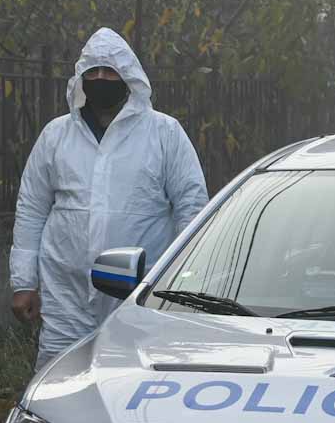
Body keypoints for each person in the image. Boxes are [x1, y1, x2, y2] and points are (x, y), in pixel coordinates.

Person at [11, 28, 209, 366]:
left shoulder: (164, 134)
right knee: (59, 383)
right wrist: (23, 281)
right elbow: (31, 208)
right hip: (65, 295)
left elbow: (192, 208)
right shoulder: (56, 136)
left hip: (139, 298)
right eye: (93, 72)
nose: (101, 79)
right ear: (81, 79)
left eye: (110, 72)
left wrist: (184, 281)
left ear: (128, 77)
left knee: (134, 385)